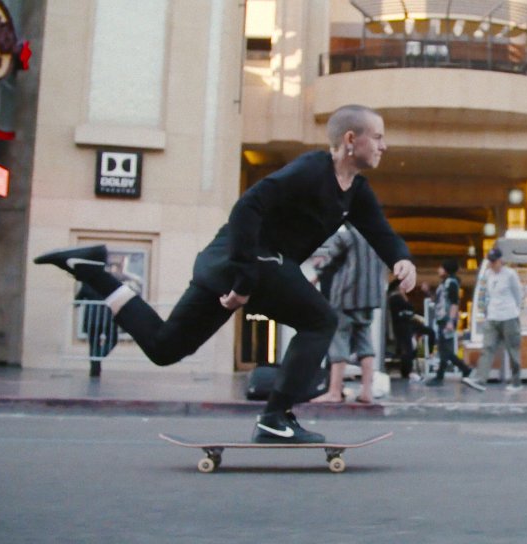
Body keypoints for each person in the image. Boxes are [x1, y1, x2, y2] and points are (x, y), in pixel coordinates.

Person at [33, 104, 416, 444]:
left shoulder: (355, 190)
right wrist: (244, 280)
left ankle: (95, 272)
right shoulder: (311, 169)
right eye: (377, 137)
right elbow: (247, 208)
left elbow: (379, 231)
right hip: (245, 259)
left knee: (165, 347)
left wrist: (402, 259)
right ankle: (275, 419)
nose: (383, 146)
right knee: (321, 320)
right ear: (350, 139)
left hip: (245, 265)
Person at [311, 226, 387, 404]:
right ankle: (366, 391)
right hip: (369, 298)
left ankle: (334, 392)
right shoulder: (378, 237)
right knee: (365, 343)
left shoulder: (346, 236)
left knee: (339, 341)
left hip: (346, 295)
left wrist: (317, 272)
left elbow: (329, 261)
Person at [462, 247, 523, 392]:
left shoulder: (510, 274)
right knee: (487, 347)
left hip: (509, 317)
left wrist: (515, 310)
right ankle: (480, 379)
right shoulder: (487, 275)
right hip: (492, 317)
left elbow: (518, 294)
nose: (492, 264)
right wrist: (485, 310)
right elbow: (484, 294)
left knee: (513, 350)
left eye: (494, 261)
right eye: (490, 261)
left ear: (501, 260)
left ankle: (516, 381)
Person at [428, 258, 475, 388]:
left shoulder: (451, 283)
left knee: (444, 349)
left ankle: (440, 376)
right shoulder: (444, 283)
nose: (438, 270)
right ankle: (464, 369)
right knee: (444, 349)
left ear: (446, 270)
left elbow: (454, 303)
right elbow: (438, 301)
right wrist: (427, 291)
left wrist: (450, 321)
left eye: (441, 268)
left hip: (446, 319)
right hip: (442, 319)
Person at [387, 279, 432, 381]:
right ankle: (408, 371)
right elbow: (409, 309)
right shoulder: (395, 298)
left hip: (405, 326)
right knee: (408, 348)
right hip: (402, 326)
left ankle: (408, 368)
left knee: (410, 347)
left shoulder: (397, 297)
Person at [76, 282, 118, 378]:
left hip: (92, 318)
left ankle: (95, 366)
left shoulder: (87, 284)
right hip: (106, 318)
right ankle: (96, 363)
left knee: (94, 345)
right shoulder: (108, 282)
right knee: (111, 340)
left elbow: (77, 301)